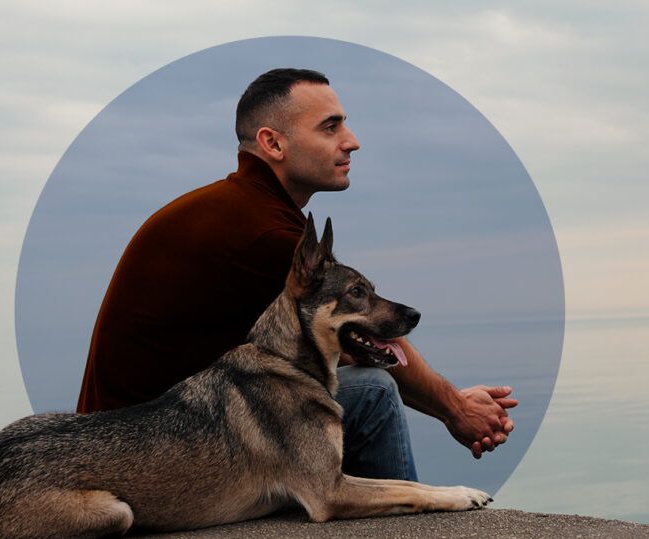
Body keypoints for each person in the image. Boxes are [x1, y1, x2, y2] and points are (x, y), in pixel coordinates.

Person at [77, 68, 517, 480]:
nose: (352, 141)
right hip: (152, 459)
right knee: (374, 393)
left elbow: (341, 345)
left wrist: (453, 400)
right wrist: (456, 408)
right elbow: (368, 341)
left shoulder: (238, 210)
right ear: (273, 144)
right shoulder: (261, 232)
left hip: (141, 439)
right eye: (331, 127)